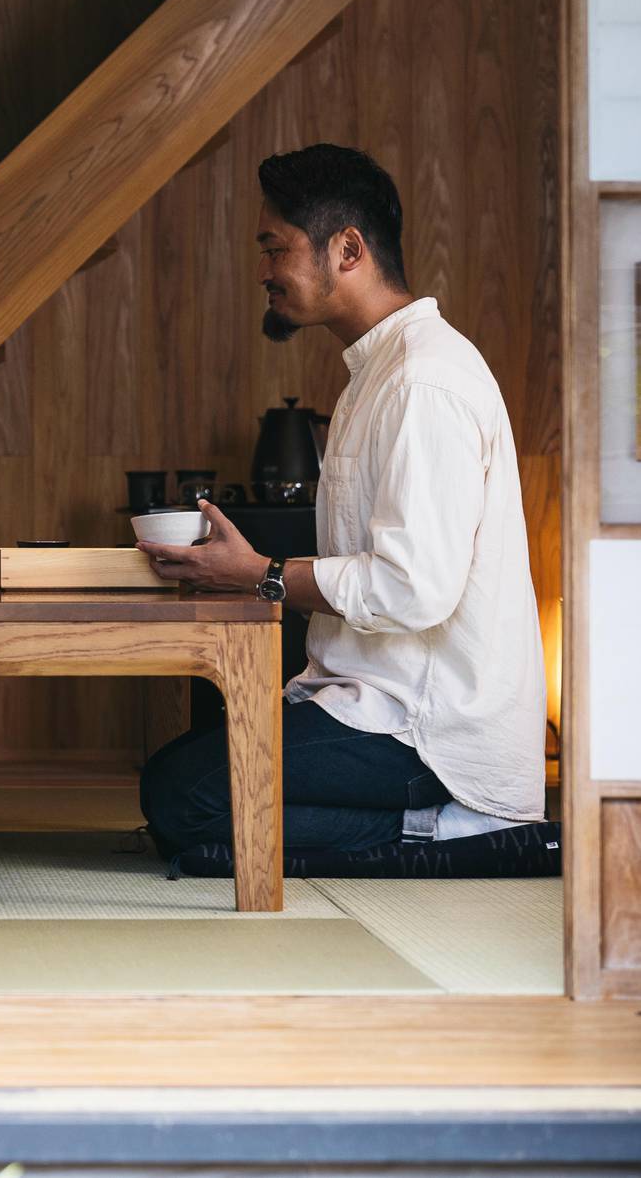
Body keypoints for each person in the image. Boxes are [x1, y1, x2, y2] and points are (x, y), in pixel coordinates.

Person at [135, 144, 549, 861]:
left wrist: (261, 573)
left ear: (347, 248)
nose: (263, 271)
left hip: (425, 728)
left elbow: (411, 589)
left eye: (275, 249)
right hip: (365, 699)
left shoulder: (423, 380)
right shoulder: (374, 374)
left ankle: (454, 833)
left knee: (186, 798)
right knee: (180, 781)